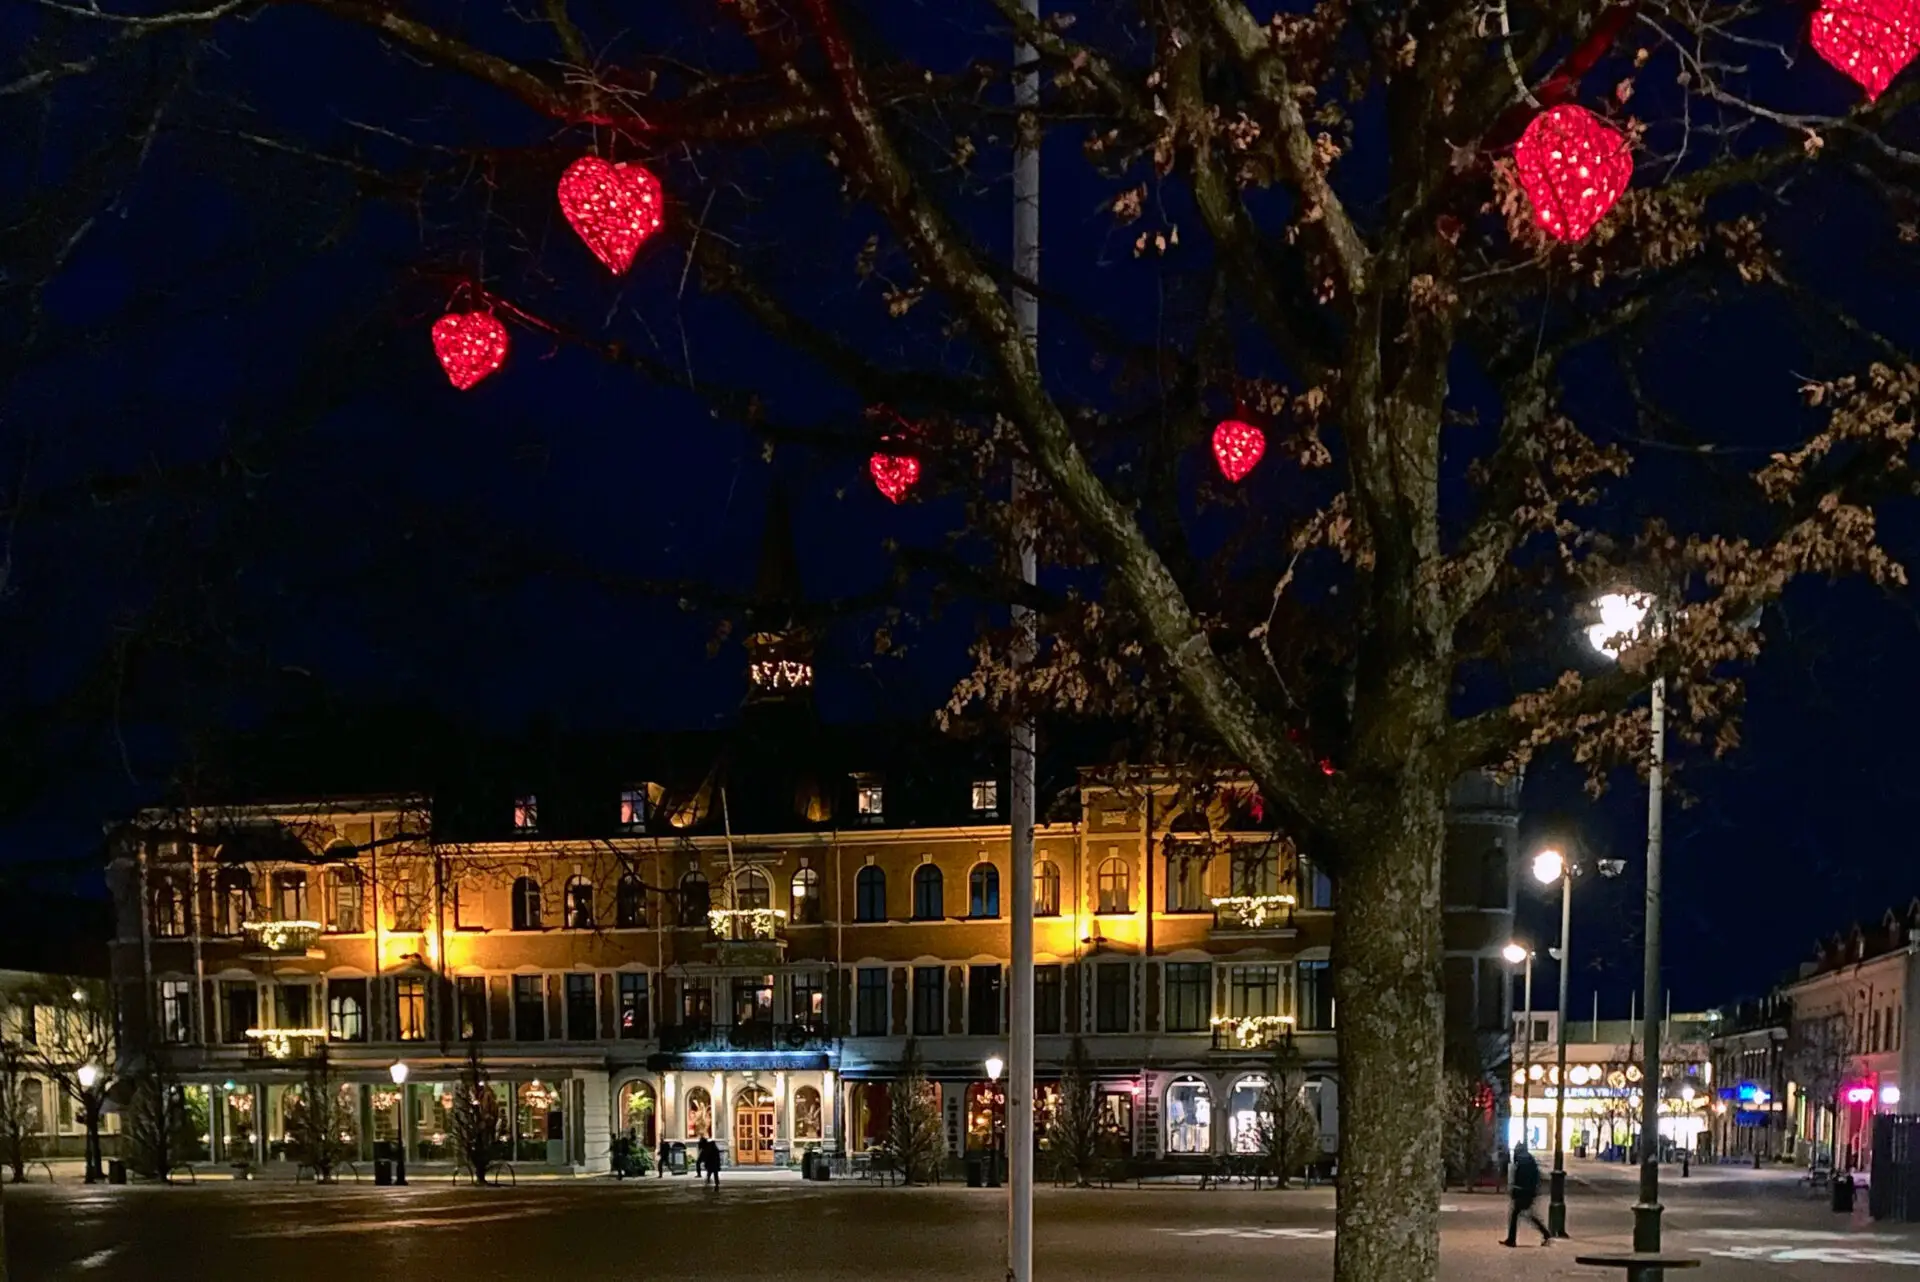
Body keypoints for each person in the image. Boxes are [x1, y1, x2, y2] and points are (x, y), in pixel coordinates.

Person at [1503, 1142, 1551, 1247]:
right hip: (1529, 1192)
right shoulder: (1529, 1158)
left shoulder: (1521, 1160)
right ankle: (1545, 1234)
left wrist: (1516, 1190)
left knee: (1518, 1214)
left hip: (1523, 1192)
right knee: (1526, 1215)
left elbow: (1520, 1178)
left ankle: (1512, 1240)